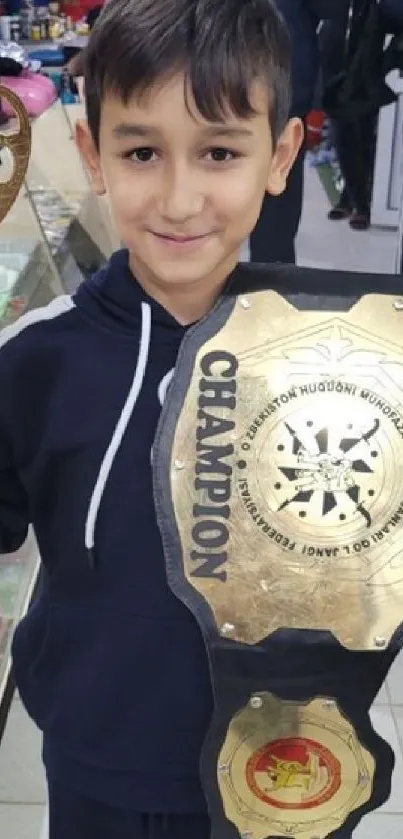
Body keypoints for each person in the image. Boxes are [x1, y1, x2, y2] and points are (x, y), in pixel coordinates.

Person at [2, 1, 303, 837]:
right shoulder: (35, 361)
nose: (178, 198)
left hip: (280, 760)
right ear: (93, 156)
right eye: (141, 151)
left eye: (218, 152)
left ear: (277, 157)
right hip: (95, 750)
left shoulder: (328, 357)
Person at [249, 0, 349, 262]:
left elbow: (336, 13)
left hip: (286, 98)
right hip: (227, 93)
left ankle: (271, 280)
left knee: (278, 199)